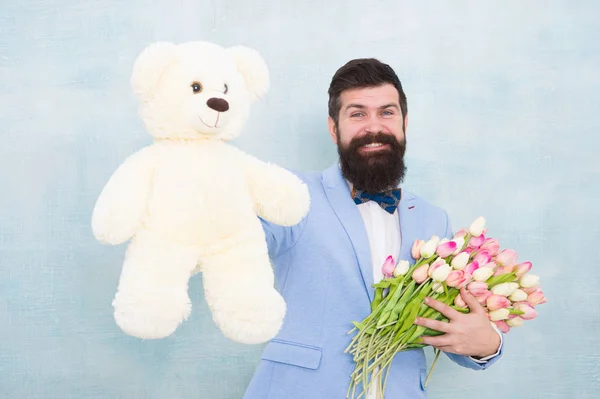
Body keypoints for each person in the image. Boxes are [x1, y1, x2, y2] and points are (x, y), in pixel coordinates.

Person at [242, 58, 503, 399]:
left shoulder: (434, 220)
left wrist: (487, 343)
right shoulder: (291, 194)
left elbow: (445, 324)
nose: (374, 126)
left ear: (404, 123)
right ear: (334, 128)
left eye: (386, 112)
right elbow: (236, 235)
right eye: (357, 114)